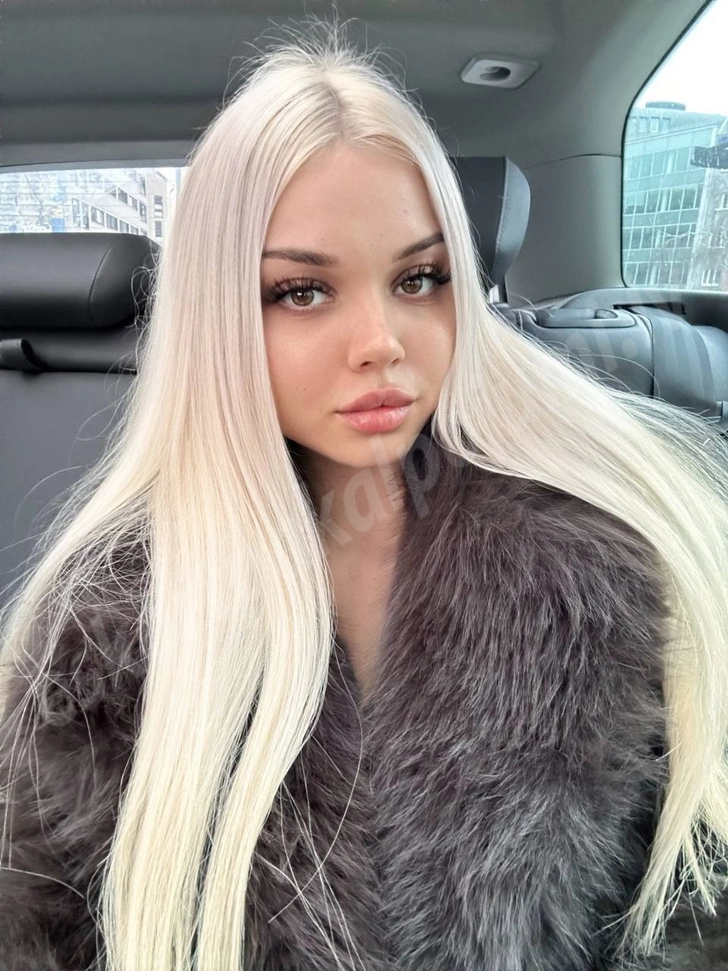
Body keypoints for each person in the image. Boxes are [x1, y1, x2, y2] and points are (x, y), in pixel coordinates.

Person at [1, 17, 728, 971]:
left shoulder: (623, 555)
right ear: (223, 316)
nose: (381, 340)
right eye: (302, 292)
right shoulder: (102, 636)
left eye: (419, 278)